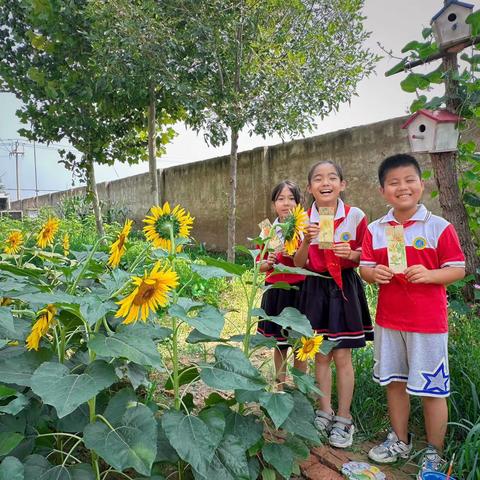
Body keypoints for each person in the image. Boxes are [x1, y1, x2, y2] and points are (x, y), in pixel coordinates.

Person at [359, 154, 465, 477]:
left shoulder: (439, 227)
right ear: (382, 191)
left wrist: (430, 275)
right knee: (394, 383)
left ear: (422, 184)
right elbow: (363, 267)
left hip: (428, 325)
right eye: (393, 183)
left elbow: (458, 269)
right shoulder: (377, 229)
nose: (402, 187)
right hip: (389, 322)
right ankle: (400, 440)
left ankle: (435, 453)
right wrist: (372, 273)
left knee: (433, 390)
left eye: (409, 180)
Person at [294, 161, 373, 449]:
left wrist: (351, 253)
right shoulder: (302, 219)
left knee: (342, 356)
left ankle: (344, 416)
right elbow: (298, 264)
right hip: (314, 288)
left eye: (331, 177)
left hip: (344, 289)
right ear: (310, 187)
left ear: (343, 184)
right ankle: (323, 410)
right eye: (317, 178)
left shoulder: (355, 216)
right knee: (321, 355)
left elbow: (369, 254)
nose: (325, 183)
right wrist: (305, 240)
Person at [257, 180, 307, 389]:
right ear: (273, 204)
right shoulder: (267, 229)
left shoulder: (304, 228)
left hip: (300, 290)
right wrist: (266, 263)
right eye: (280, 199)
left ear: (299, 203)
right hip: (275, 290)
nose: (286, 203)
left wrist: (297, 253)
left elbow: (309, 262)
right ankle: (280, 386)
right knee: (279, 344)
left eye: (291, 198)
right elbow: (258, 265)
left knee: (300, 343)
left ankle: (300, 387)